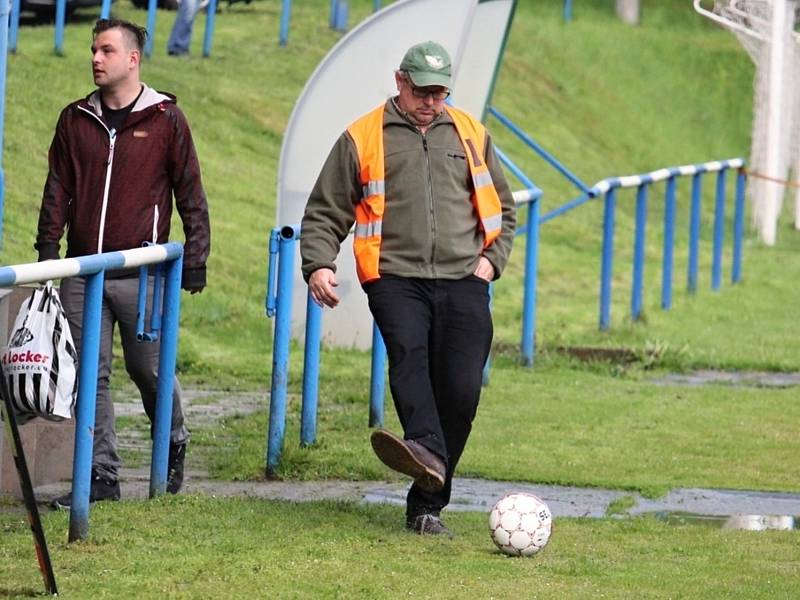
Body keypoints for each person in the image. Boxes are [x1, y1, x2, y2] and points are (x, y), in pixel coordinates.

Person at [300, 41, 516, 537]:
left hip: (465, 278)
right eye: (422, 91)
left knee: (461, 389)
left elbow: (504, 207)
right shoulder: (363, 136)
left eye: (440, 92)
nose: (431, 102)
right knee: (409, 357)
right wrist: (319, 265)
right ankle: (426, 490)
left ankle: (427, 481)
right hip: (394, 276)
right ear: (400, 81)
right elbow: (324, 210)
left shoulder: (470, 133)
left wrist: (491, 263)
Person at [35, 18, 211, 509]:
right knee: (89, 376)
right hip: (82, 272)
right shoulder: (74, 119)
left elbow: (190, 193)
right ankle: (100, 477)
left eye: (106, 50)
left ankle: (172, 439)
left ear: (132, 59)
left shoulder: (166, 119)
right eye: (93, 49)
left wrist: (195, 258)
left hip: (145, 273)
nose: (95, 58)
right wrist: (49, 252)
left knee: (148, 369)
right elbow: (58, 189)